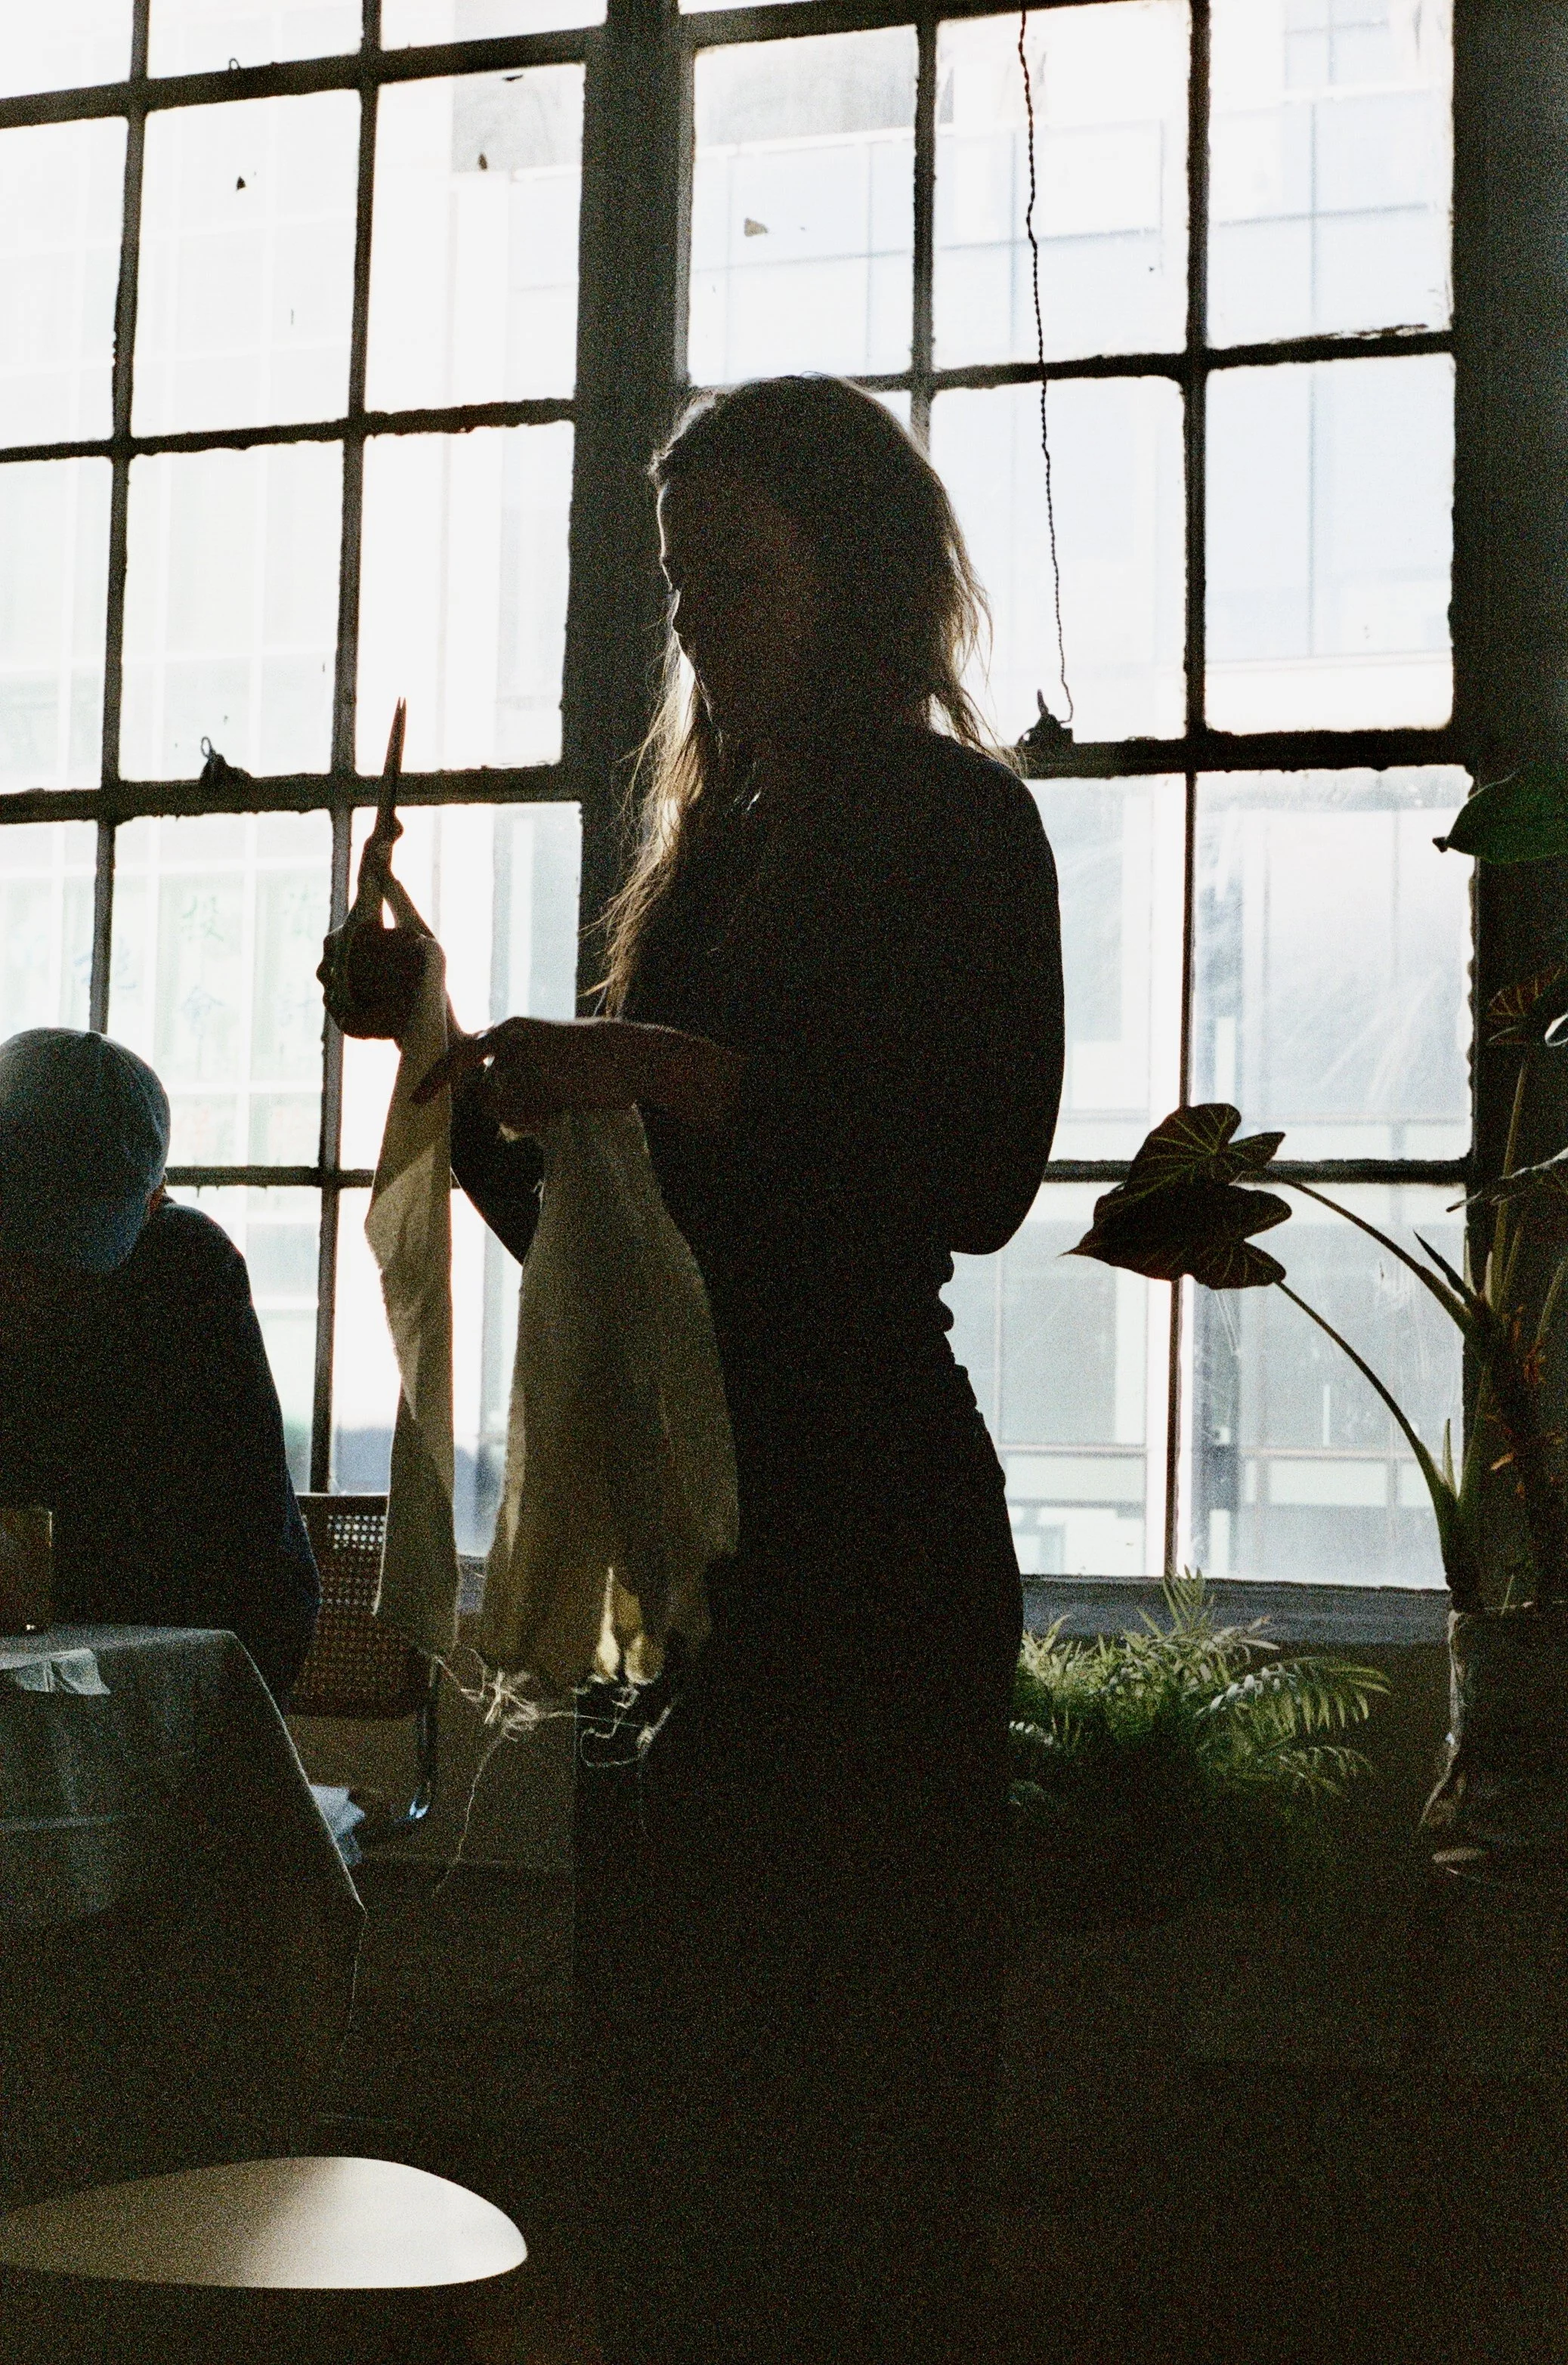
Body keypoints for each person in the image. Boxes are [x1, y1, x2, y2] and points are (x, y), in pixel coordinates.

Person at [416, 375, 1065, 2364]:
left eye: (741, 576)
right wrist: (448, 1061)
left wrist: (666, 1073)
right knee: (672, 2096)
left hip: (862, 1522)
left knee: (850, 2100)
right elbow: (615, 1247)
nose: (698, 621)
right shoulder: (703, 857)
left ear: (861, 579)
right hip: (691, 1538)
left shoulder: (961, 827)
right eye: (681, 582)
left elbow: (972, 1177)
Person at [0, 1028, 320, 1703]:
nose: (33, 1281)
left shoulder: (182, 1275)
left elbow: (252, 1569)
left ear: (154, 1201)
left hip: (180, 1649)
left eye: (65, 1258)